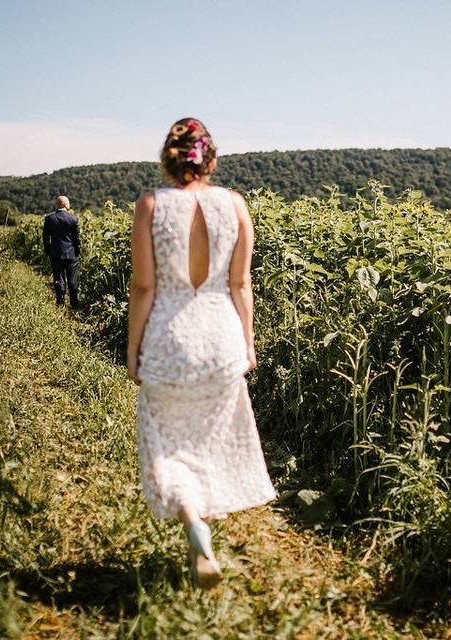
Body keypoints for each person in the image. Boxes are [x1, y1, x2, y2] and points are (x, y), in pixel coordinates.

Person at [126, 117, 276, 588]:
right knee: (209, 441)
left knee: (167, 445)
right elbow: (240, 284)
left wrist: (133, 349)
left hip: (170, 339)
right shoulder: (235, 205)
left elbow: (144, 286)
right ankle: (204, 521)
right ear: (210, 159)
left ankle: (193, 522)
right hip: (221, 338)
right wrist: (248, 344)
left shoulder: (151, 205)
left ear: (168, 158)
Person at [42, 195, 81, 308]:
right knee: (72, 280)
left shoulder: (49, 219)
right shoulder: (73, 219)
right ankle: (74, 303)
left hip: (56, 253)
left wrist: (48, 250)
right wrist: (77, 252)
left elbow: (45, 237)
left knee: (58, 278)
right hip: (71, 254)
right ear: (65, 204)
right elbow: (77, 239)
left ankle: (60, 302)